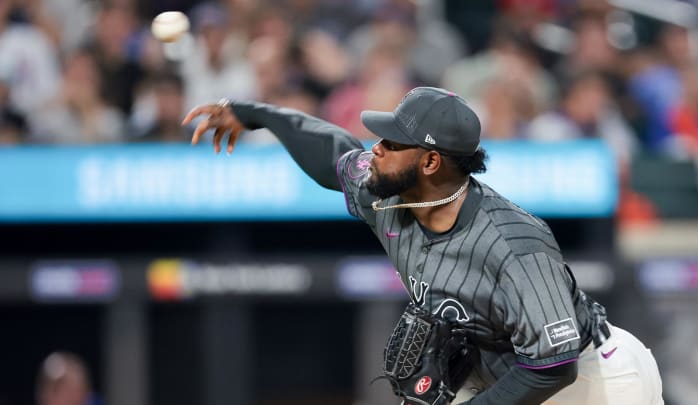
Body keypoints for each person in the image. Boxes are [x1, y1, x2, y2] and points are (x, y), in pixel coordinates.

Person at [182, 86, 664, 404]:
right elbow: (332, 154)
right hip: (503, 368)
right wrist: (257, 113)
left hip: (594, 382)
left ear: (431, 162)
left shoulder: (514, 243)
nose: (376, 148)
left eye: (391, 143)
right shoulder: (384, 191)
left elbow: (552, 367)